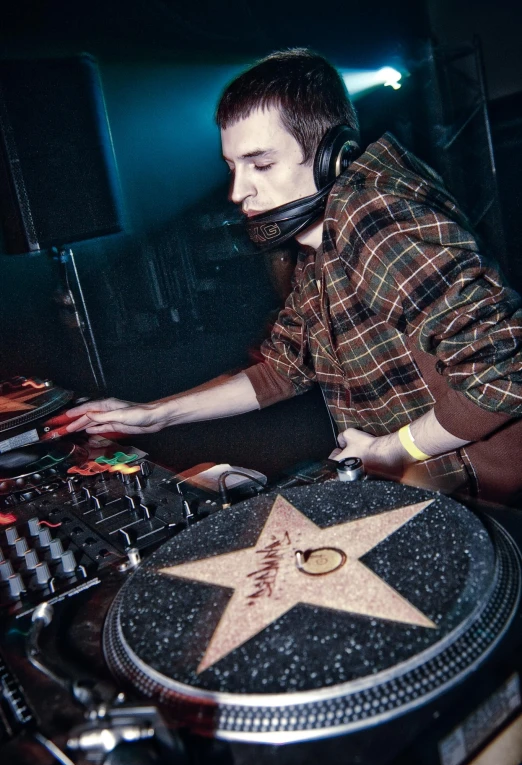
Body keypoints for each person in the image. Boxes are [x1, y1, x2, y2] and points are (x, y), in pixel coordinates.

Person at [46, 49, 522, 503]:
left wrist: (396, 450)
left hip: (487, 496)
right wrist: (154, 414)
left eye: (262, 163)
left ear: (331, 156)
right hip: (438, 483)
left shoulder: (370, 216)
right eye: (233, 168)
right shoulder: (319, 247)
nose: (238, 190)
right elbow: (284, 370)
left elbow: (505, 373)